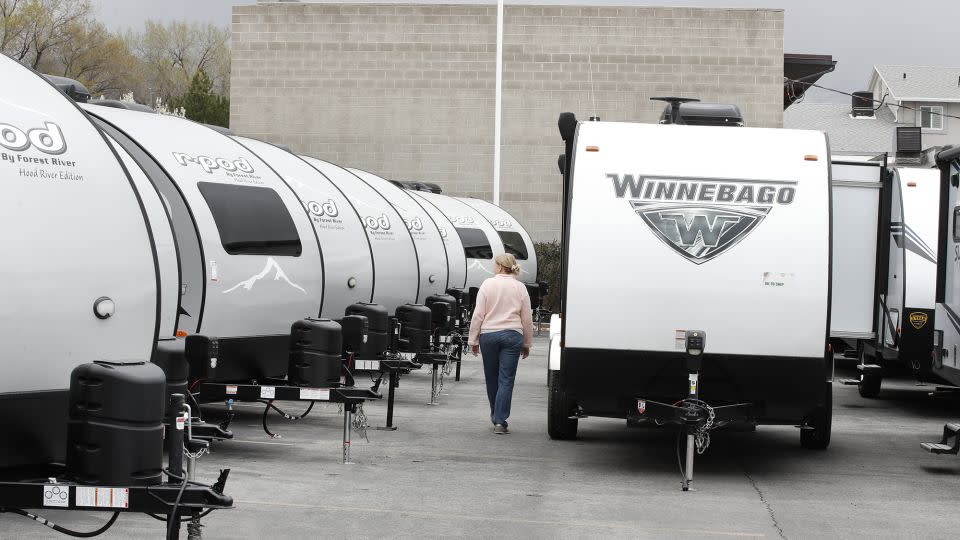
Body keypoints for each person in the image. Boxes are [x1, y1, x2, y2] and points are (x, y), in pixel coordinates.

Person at [468, 253, 533, 434]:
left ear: (498, 266)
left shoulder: (487, 285)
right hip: (512, 335)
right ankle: (499, 420)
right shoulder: (520, 287)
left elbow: (478, 314)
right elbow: (527, 318)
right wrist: (527, 343)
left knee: (491, 378)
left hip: (489, 335)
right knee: (506, 379)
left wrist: (473, 339)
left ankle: (495, 415)